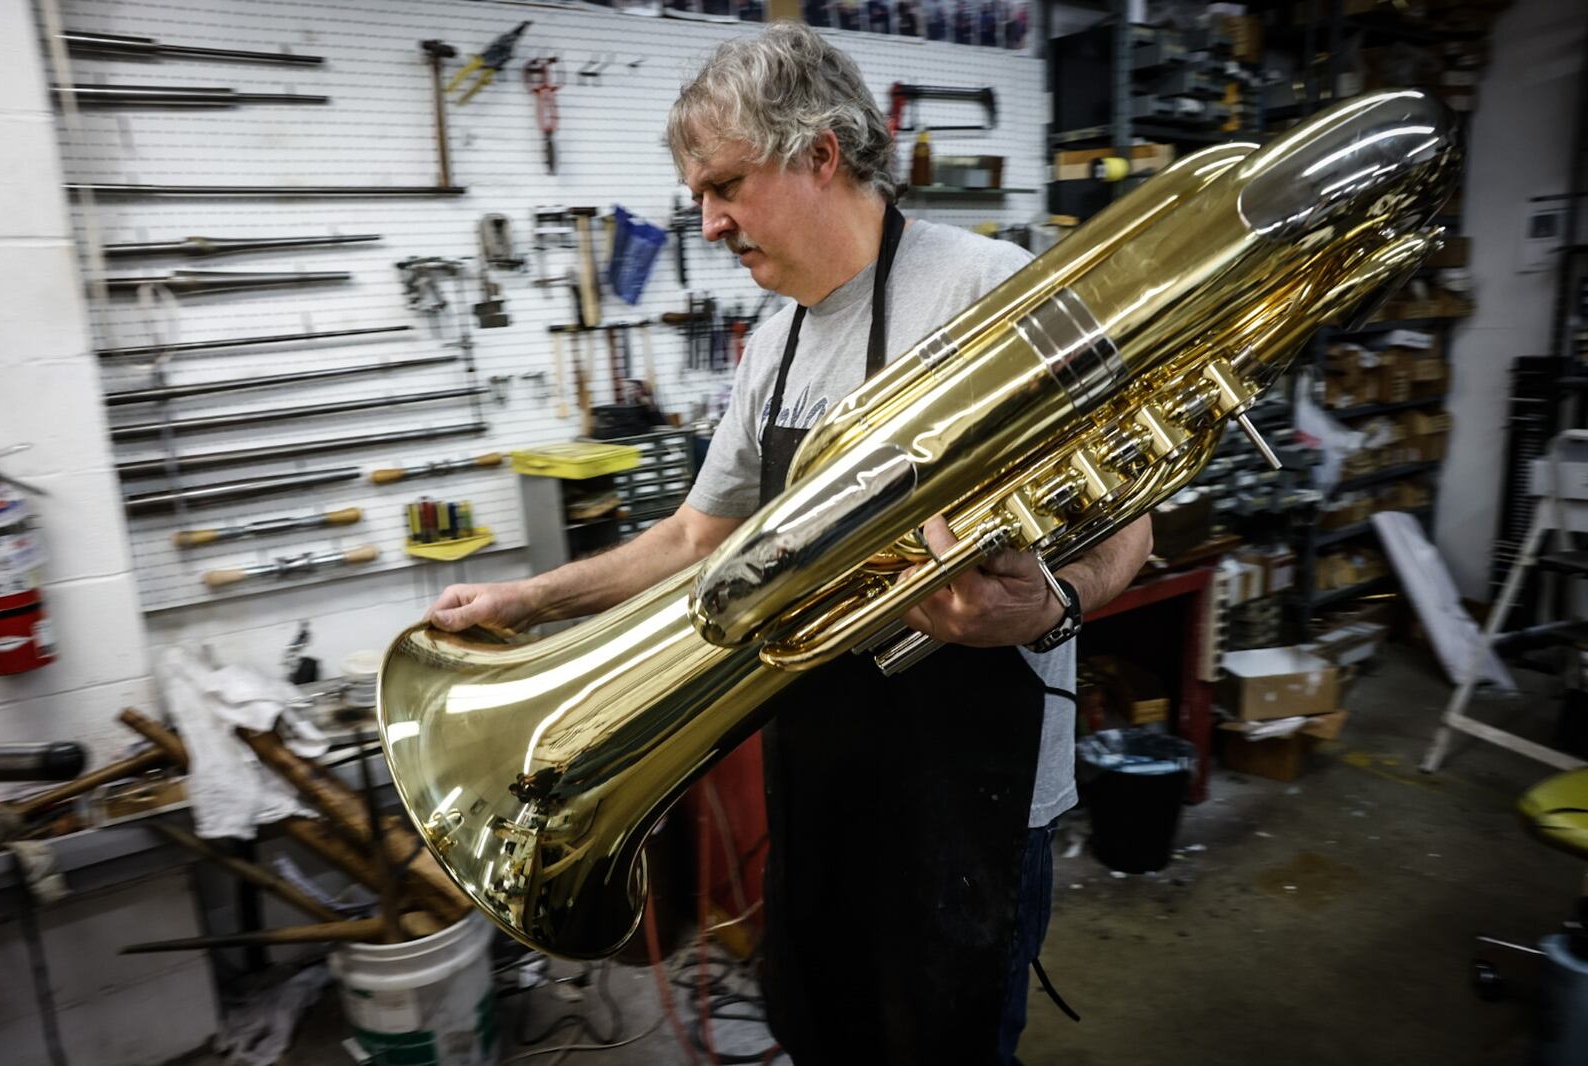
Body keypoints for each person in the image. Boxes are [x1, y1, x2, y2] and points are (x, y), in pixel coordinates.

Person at [428, 23, 1153, 1064]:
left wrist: (1052, 604)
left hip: (970, 795)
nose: (711, 222)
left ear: (820, 152)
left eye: (726, 185)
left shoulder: (993, 292)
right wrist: (525, 603)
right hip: (822, 773)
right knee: (822, 1029)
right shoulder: (773, 342)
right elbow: (693, 534)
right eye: (699, 199)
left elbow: (1133, 516)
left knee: (947, 1044)